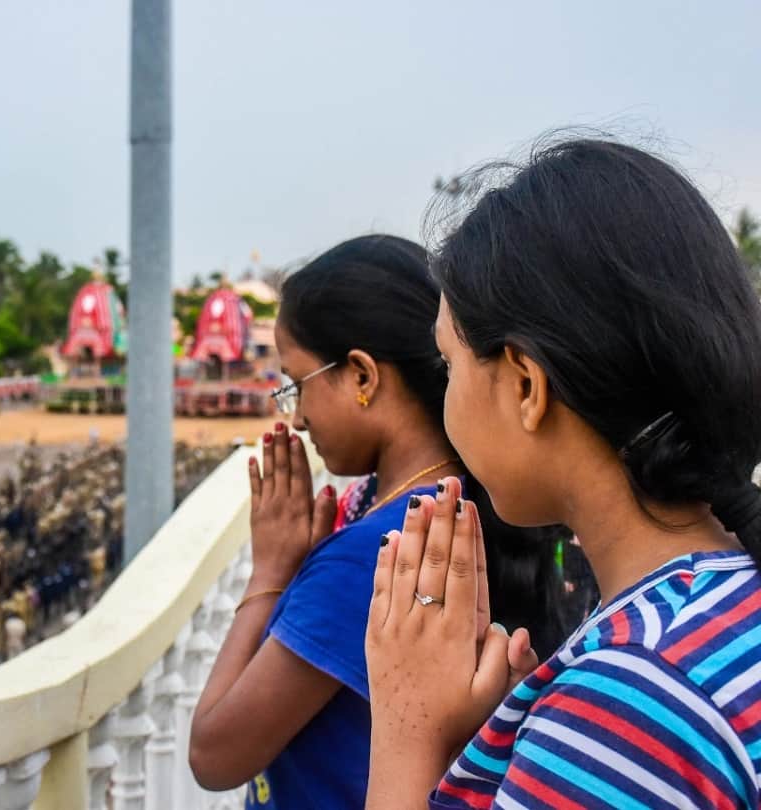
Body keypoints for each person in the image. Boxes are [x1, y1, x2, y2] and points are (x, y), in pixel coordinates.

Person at [365, 137, 761, 808]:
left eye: (449, 365)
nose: (446, 395)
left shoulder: (632, 702)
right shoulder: (717, 611)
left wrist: (407, 732)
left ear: (526, 385)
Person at [189, 235, 564, 807]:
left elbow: (213, 755)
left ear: (362, 376)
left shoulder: (376, 554)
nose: (297, 419)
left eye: (297, 385)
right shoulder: (457, 502)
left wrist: (270, 569)